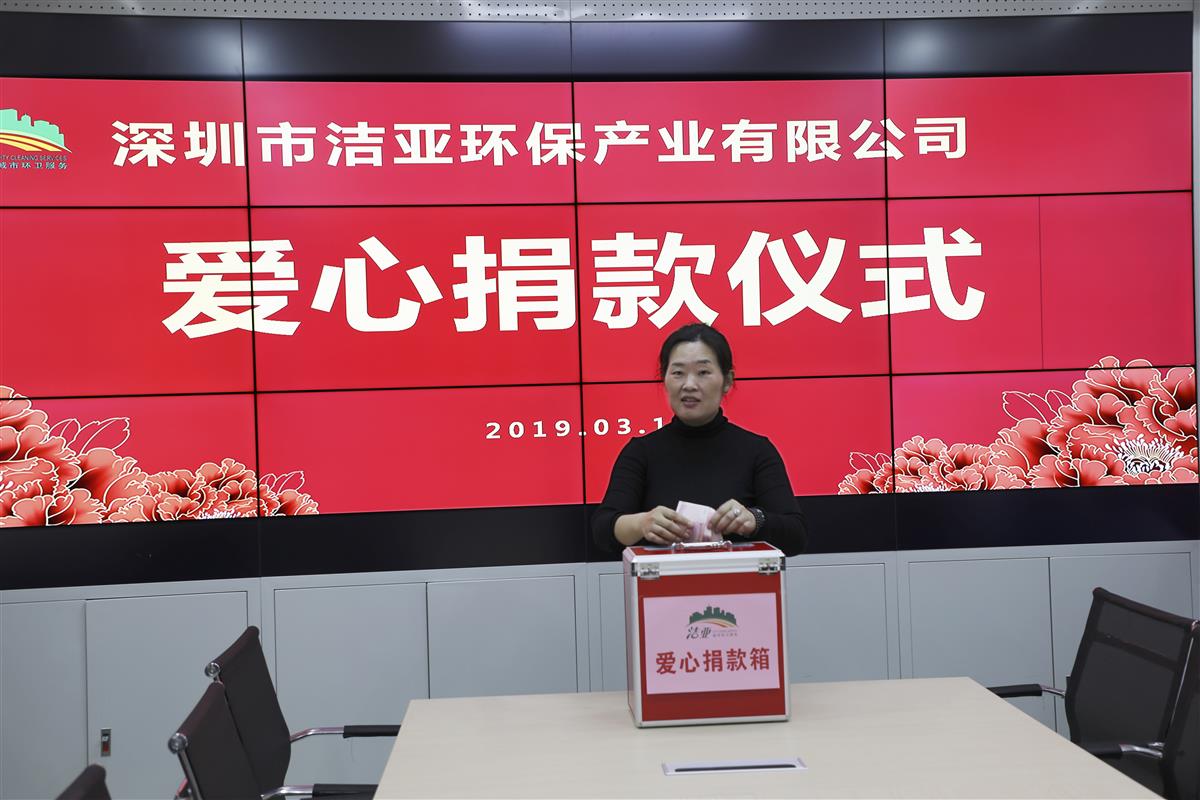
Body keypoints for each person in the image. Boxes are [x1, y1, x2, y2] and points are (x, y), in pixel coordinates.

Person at [591, 323, 807, 556]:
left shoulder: (757, 451)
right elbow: (603, 530)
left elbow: (796, 535)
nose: (689, 385)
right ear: (664, 379)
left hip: (739, 579)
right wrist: (641, 523)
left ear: (727, 381)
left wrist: (754, 519)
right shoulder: (641, 452)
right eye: (678, 373)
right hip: (663, 579)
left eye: (703, 372)